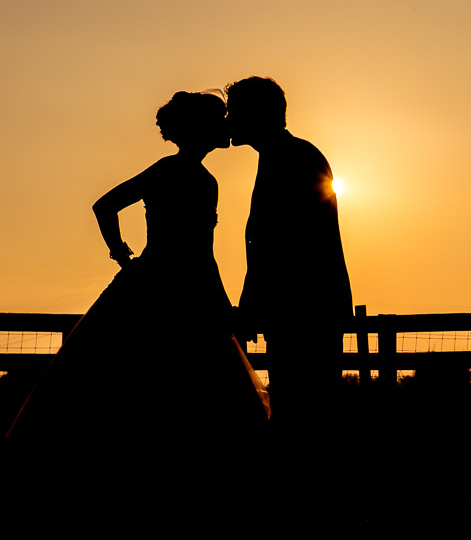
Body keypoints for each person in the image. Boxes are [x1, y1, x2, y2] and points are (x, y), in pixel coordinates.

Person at [5, 91, 270, 495]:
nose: (227, 126)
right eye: (220, 120)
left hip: (149, 283)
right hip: (182, 290)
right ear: (202, 129)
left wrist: (125, 257)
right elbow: (196, 251)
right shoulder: (195, 178)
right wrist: (219, 304)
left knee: (123, 379)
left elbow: (105, 207)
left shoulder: (174, 172)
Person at [225, 76, 352, 434]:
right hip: (304, 308)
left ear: (256, 114)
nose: (229, 120)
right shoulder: (286, 155)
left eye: (235, 112)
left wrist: (251, 305)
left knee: (304, 414)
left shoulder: (290, 158)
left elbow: (279, 243)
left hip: (306, 309)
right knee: (299, 410)